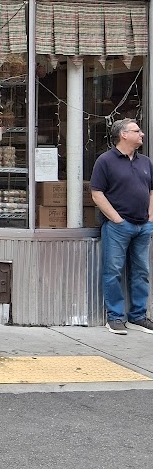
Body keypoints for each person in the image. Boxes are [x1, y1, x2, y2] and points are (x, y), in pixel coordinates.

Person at [90, 118, 153, 335]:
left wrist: (150, 217)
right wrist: (117, 219)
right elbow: (97, 193)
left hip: (143, 226)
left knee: (141, 272)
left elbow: (151, 191)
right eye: (137, 131)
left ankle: (138, 316)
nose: (142, 134)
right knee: (113, 271)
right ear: (123, 135)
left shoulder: (146, 162)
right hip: (118, 227)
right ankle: (115, 318)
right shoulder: (105, 161)